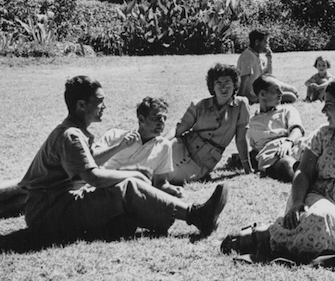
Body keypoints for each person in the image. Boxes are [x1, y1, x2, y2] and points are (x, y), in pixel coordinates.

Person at [18, 76, 229, 242]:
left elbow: (90, 167)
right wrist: (133, 174)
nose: (104, 106)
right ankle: (196, 215)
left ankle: (144, 218)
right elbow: (94, 177)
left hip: (55, 206)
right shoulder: (71, 135)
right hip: (48, 212)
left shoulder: (74, 132)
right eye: (99, 102)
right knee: (127, 187)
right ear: (81, 105)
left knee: (124, 207)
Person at [221, 79, 335, 261]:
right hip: (312, 199)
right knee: (318, 217)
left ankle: (269, 235)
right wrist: (297, 203)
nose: (323, 111)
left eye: (329, 105)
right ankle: (265, 237)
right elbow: (303, 172)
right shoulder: (323, 134)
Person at [168, 63, 251, 184]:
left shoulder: (242, 105)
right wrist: (159, 143)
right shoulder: (198, 105)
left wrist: (247, 168)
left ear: (234, 85)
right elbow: (180, 128)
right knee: (149, 164)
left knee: (168, 177)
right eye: (219, 83)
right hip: (181, 147)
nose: (223, 88)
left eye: (227, 83)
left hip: (202, 162)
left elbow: (241, 139)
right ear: (212, 86)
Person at [93, 97, 183, 197]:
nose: (162, 122)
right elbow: (91, 161)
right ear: (141, 119)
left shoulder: (164, 146)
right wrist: (119, 147)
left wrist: (172, 189)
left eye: (164, 118)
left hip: (131, 196)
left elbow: (160, 183)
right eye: (157, 118)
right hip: (103, 190)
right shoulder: (114, 135)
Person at [248, 75, 304, 182]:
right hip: (274, 156)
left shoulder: (287, 110)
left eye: (281, 90)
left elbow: (297, 129)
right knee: (287, 164)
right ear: (263, 94)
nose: (281, 94)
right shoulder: (253, 122)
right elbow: (253, 149)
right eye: (275, 90)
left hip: (294, 146)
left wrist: (288, 142)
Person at [237, 29, 298, 105]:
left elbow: (268, 76)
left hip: (265, 87)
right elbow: (244, 80)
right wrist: (243, 98)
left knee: (294, 91)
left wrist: (269, 59)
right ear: (257, 42)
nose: (267, 45)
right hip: (257, 94)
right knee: (292, 97)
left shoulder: (257, 55)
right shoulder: (248, 56)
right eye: (265, 42)